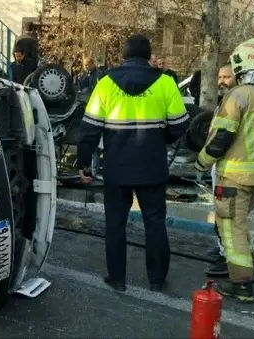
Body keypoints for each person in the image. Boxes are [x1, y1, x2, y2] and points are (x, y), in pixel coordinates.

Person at [77, 34, 189, 292]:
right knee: (155, 222)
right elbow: (180, 125)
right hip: (153, 167)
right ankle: (157, 280)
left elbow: (90, 129)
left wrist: (83, 164)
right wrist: (161, 137)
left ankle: (117, 278)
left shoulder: (105, 83)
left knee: (115, 223)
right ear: (148, 56)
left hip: (117, 168)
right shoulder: (165, 82)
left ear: (124, 56)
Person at [194, 38, 254, 303]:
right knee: (240, 225)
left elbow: (221, 137)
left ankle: (242, 285)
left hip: (233, 177)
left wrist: (201, 163)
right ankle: (253, 271)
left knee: (230, 229)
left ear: (240, 66)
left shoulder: (238, 96)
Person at [203, 63, 236, 277]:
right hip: (220, 165)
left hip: (229, 167)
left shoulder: (236, 101)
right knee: (219, 211)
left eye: (226, 77)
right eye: (219, 76)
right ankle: (223, 248)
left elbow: (225, 135)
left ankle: (228, 258)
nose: (221, 81)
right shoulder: (225, 101)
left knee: (227, 214)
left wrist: (203, 161)